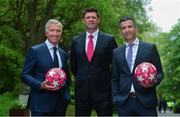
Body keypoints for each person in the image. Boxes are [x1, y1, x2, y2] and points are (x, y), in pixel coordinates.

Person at [111, 16, 164, 116]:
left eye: (129, 26)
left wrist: (152, 82)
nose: (127, 30)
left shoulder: (150, 48)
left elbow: (160, 73)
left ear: (136, 29)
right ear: (121, 31)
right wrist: (115, 97)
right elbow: (114, 78)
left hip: (146, 101)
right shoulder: (116, 52)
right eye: (123, 28)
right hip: (124, 103)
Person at [70, 8, 117, 116]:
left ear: (98, 20)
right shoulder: (76, 41)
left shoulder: (109, 39)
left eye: (93, 17)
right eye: (88, 17)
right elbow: (73, 65)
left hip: (103, 92)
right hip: (82, 92)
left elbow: (115, 65)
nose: (91, 19)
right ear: (83, 20)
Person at [21, 19, 71, 116]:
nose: (55, 34)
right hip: (40, 104)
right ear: (46, 33)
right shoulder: (35, 51)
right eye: (52, 30)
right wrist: (40, 85)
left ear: (61, 33)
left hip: (60, 104)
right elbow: (25, 75)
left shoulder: (63, 54)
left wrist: (66, 96)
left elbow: (67, 77)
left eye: (58, 31)